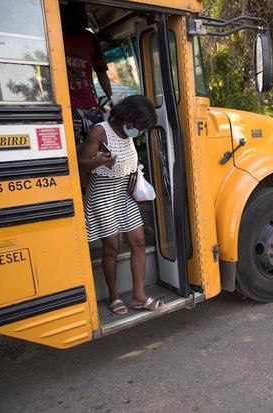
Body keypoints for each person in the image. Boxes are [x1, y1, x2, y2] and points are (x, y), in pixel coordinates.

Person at [79, 95, 161, 315]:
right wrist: (100, 161)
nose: (139, 131)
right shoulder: (100, 131)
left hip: (123, 193)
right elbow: (81, 163)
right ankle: (114, 296)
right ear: (129, 117)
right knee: (112, 246)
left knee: (139, 240)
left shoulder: (127, 133)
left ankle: (139, 296)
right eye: (139, 126)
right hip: (102, 194)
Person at [61, 3, 112, 147]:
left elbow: (101, 71)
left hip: (90, 106)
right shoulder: (55, 35)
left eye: (80, 16)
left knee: (98, 149)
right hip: (68, 106)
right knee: (76, 151)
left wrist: (109, 97)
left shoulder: (91, 39)